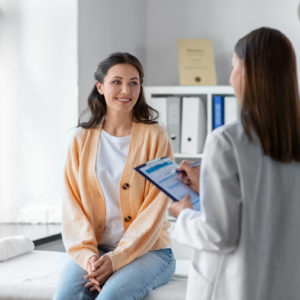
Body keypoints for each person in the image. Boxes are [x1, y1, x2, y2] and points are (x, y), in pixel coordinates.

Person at [168, 27, 300, 300]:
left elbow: (219, 234)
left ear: (247, 71)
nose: (230, 78)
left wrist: (183, 215)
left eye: (233, 67)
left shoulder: (226, 140)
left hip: (236, 288)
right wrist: (208, 187)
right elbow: (270, 205)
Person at [54, 52, 175, 300]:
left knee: (111, 297)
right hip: (94, 251)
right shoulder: (80, 139)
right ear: (100, 86)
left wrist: (117, 259)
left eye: (134, 82)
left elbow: (155, 208)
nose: (126, 90)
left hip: (150, 252)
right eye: (116, 82)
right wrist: (89, 258)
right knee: (66, 296)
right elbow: (72, 206)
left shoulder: (156, 136)